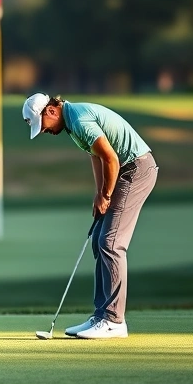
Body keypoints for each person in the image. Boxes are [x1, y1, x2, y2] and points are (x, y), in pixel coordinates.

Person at [22, 92, 158, 339]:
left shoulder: (79, 120)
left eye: (43, 126)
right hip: (124, 169)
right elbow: (96, 157)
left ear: (51, 111)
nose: (45, 132)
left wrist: (105, 196)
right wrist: (99, 194)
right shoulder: (73, 123)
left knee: (111, 243)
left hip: (136, 169)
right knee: (98, 239)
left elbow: (111, 158)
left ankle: (114, 320)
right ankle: (101, 314)